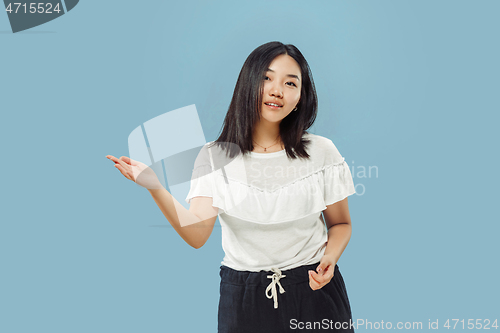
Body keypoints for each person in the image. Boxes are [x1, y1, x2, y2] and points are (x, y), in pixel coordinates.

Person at [106, 41, 356, 332]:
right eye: (266, 78)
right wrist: (155, 186)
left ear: (300, 96)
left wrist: (330, 258)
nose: (277, 90)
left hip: (314, 291)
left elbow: (340, 224)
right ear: (248, 84)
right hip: (244, 299)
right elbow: (197, 234)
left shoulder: (321, 152)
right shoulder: (215, 157)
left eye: (290, 83)